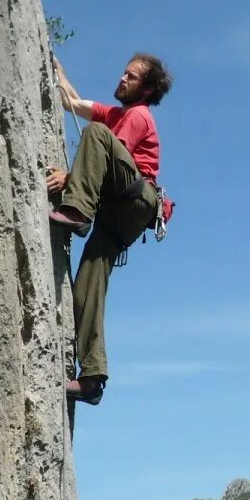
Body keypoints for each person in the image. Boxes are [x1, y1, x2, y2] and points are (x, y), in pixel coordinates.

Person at [47, 53, 172, 405]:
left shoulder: (137, 116)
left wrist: (71, 180)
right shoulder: (117, 113)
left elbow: (116, 154)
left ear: (146, 88)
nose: (121, 78)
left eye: (130, 76)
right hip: (121, 218)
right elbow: (72, 102)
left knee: (97, 134)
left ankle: (78, 212)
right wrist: (58, 69)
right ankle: (92, 378)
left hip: (134, 197)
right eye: (123, 72)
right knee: (87, 285)